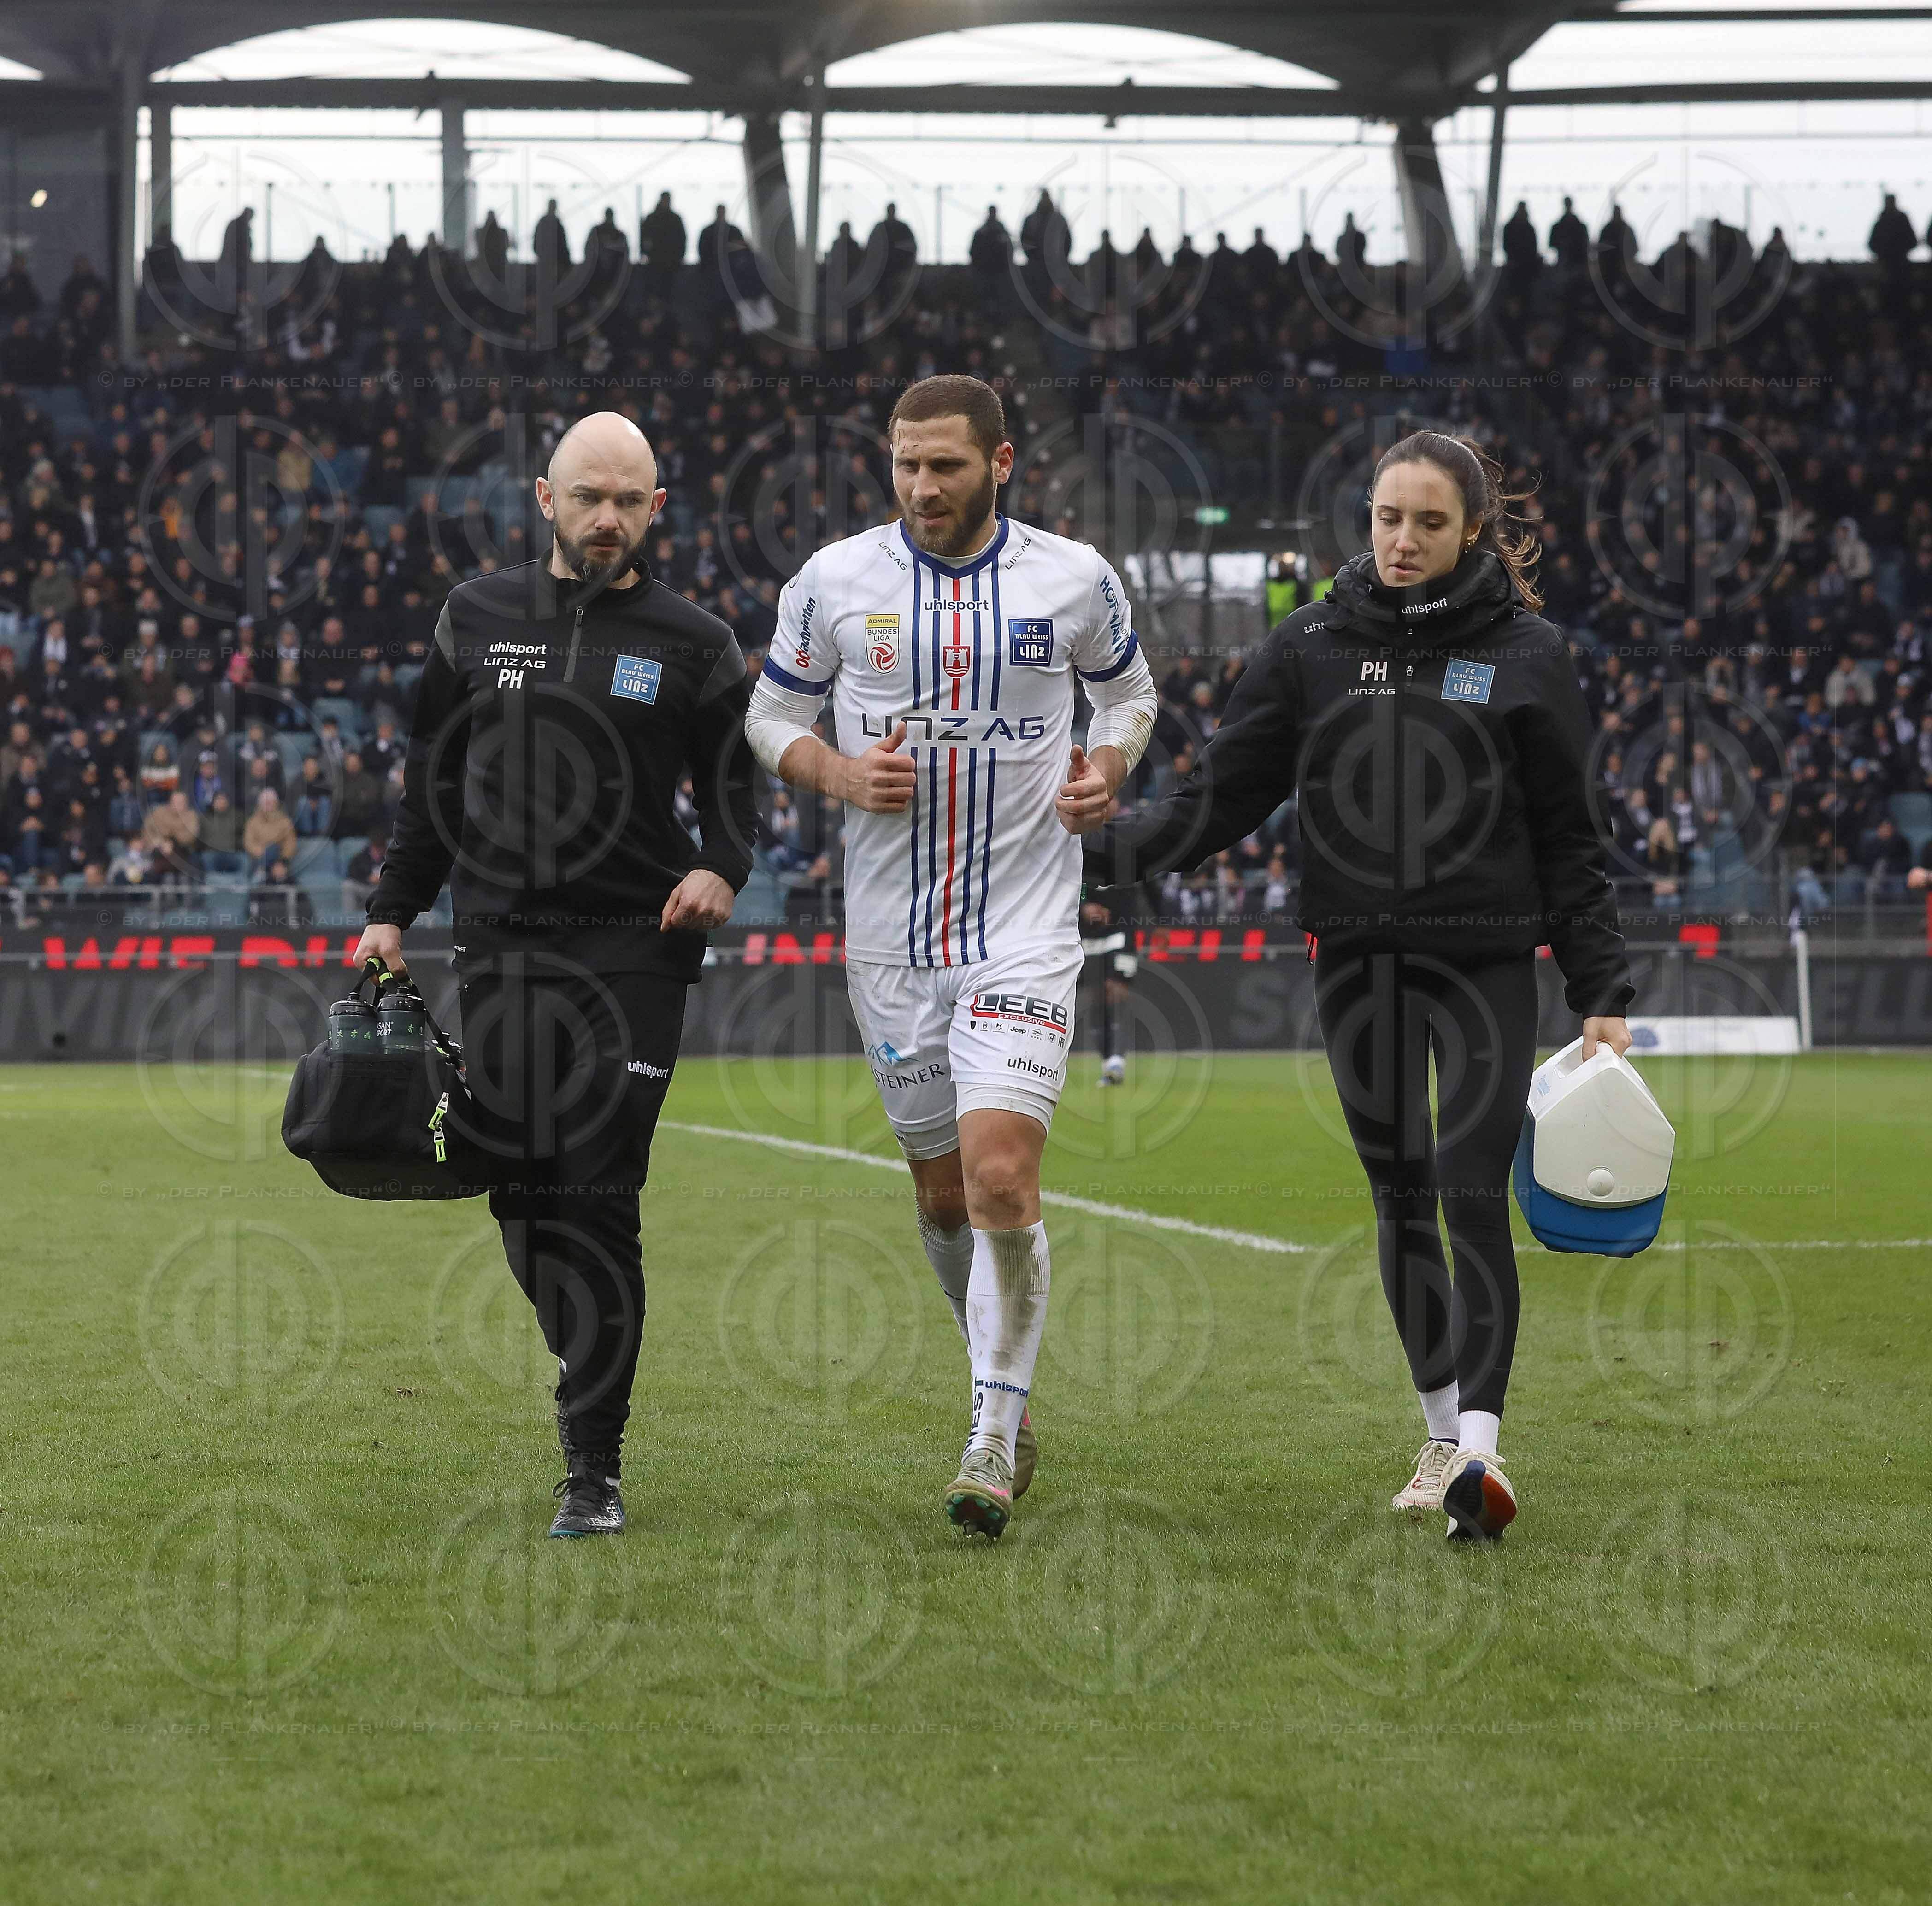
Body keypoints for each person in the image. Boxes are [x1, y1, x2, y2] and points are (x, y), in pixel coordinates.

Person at [1087, 430, 1634, 1544]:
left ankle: (1481, 1451)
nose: (1401, 540)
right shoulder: (1309, 647)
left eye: (1428, 523)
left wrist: (1600, 989)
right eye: (1388, 517)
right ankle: (1439, 1433)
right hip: (1358, 961)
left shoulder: (1531, 655)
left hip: (1485, 957)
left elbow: (1572, 835)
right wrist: (1099, 846)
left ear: (1471, 531)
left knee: (1469, 1185)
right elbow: (1222, 794)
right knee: (1398, 1193)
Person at [743, 374, 1157, 1539]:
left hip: (1023, 932)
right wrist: (830, 771)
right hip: (887, 948)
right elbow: (768, 716)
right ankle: (1004, 1391)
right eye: (906, 465)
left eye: (947, 466)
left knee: (998, 1181)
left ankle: (988, 1428)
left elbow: (1129, 698)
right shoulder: (832, 582)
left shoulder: (1074, 578)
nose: (923, 487)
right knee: (938, 1195)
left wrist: (1106, 765)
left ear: (1001, 462)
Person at [355, 412, 758, 1540]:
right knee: (521, 1188)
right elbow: (430, 781)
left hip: (636, 946)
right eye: (588, 496)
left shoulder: (696, 640)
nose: (607, 518)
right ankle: (590, 1360)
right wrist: (392, 911)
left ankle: (592, 1462)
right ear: (545, 498)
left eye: (629, 499)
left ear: (656, 509)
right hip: (501, 949)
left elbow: (736, 799)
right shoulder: (472, 616)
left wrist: (721, 867)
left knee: (596, 1186)